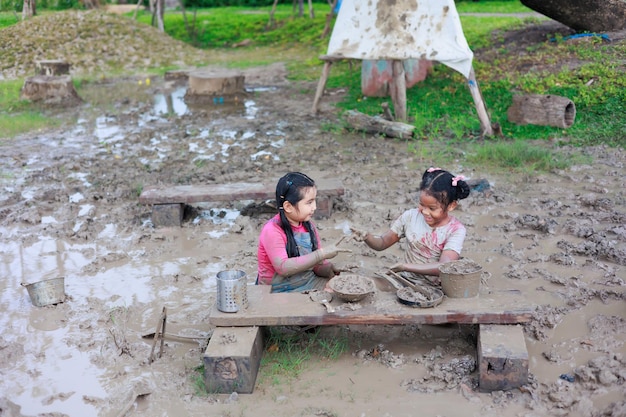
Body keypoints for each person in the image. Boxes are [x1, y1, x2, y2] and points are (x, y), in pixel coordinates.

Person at [351, 167, 470, 284]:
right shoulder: (410, 217)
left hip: (434, 289)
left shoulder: (455, 230)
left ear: (451, 206)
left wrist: (406, 267)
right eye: (421, 205)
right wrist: (367, 237)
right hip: (404, 280)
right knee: (365, 283)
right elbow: (382, 243)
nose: (425, 211)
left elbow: (445, 267)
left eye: (432, 208)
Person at [257, 172, 350, 293]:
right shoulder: (272, 230)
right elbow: (283, 268)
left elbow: (315, 265)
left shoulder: (309, 226)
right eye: (309, 202)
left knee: (342, 289)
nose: (314, 207)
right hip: (277, 290)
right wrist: (320, 254)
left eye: (314, 200)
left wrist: (329, 269)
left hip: (307, 281)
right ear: (288, 206)